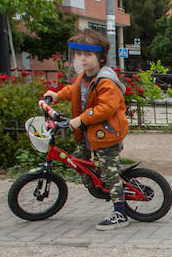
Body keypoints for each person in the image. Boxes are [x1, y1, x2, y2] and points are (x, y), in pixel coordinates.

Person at [41, 29, 130, 231]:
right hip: (91, 134)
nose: (82, 59)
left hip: (106, 134)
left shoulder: (105, 81)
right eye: (78, 54)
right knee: (77, 159)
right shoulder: (84, 77)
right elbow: (73, 91)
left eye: (88, 55)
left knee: (109, 173)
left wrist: (81, 119)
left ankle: (120, 212)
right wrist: (56, 95)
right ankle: (98, 184)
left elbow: (107, 107)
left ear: (100, 57)